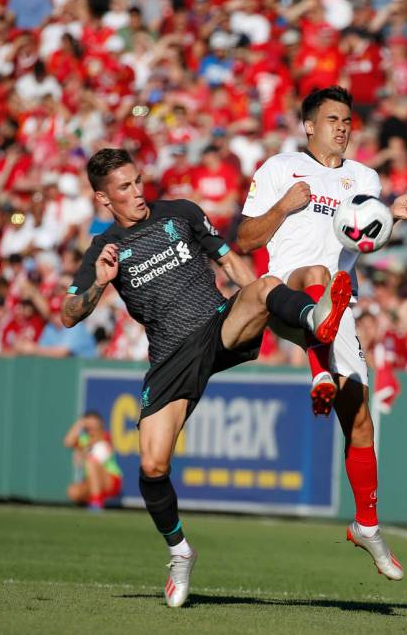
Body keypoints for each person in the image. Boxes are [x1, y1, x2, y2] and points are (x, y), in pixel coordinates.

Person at [61, 148, 352, 608]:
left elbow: (232, 263)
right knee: (153, 467)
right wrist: (99, 282)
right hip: (170, 359)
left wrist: (262, 293)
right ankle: (180, 553)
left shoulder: (181, 213)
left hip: (218, 325)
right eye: (125, 187)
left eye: (138, 180)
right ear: (103, 198)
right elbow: (69, 314)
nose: (137, 191)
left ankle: (316, 318)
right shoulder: (105, 248)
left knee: (262, 286)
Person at [237, 86, 407, 581]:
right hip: (285, 292)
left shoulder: (365, 178)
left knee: (360, 420)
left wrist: (391, 217)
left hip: (340, 307)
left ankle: (366, 525)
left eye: (347, 120)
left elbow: (364, 239)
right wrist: (283, 207)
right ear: (309, 125)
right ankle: (318, 369)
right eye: (332, 118)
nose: (342, 127)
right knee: (318, 274)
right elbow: (245, 238)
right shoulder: (280, 169)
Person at [63, 411, 123, 510]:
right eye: (89, 425)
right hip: (92, 482)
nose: (92, 429)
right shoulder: (84, 439)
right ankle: (94, 500)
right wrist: (80, 423)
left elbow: (98, 453)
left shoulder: (106, 436)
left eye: (94, 425)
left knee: (91, 462)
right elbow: (68, 442)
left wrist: (81, 454)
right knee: (73, 492)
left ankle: (96, 503)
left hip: (111, 480)